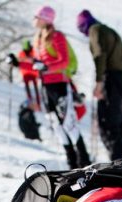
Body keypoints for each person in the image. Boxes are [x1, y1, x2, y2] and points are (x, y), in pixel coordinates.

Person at [31, 5, 90, 168]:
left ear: (45, 19)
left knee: (68, 123)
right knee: (56, 124)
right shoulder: (38, 39)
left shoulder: (56, 37)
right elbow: (37, 64)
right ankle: (71, 162)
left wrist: (46, 67)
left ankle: (84, 161)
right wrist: (18, 62)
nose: (34, 20)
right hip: (45, 86)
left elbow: (63, 61)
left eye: (37, 17)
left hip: (59, 84)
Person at [76, 10, 122, 161]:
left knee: (108, 126)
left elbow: (99, 54)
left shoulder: (95, 30)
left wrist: (99, 82)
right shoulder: (112, 32)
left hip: (110, 79)